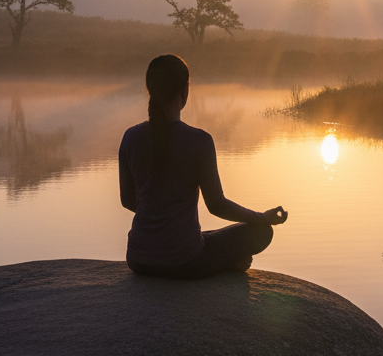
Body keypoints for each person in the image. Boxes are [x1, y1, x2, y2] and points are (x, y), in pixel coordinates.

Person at [119, 53, 288, 278]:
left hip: (138, 259)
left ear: (150, 89)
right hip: (184, 261)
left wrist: (160, 219)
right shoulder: (199, 141)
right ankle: (228, 263)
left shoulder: (130, 137)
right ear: (185, 91)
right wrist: (262, 218)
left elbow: (128, 200)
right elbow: (217, 205)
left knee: (203, 236)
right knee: (262, 232)